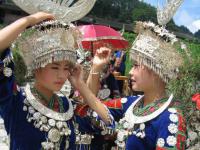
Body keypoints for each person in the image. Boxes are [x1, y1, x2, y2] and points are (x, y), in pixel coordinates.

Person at [0, 12, 113, 150]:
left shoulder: (68, 106)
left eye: (67, 68)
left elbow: (107, 122)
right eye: (54, 67)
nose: (62, 75)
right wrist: (29, 20)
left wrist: (81, 84)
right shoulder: (16, 101)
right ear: (36, 66)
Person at [74, 21, 187, 150]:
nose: (130, 72)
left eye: (135, 66)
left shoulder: (170, 118)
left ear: (155, 70)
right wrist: (96, 67)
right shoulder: (131, 104)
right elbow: (91, 106)